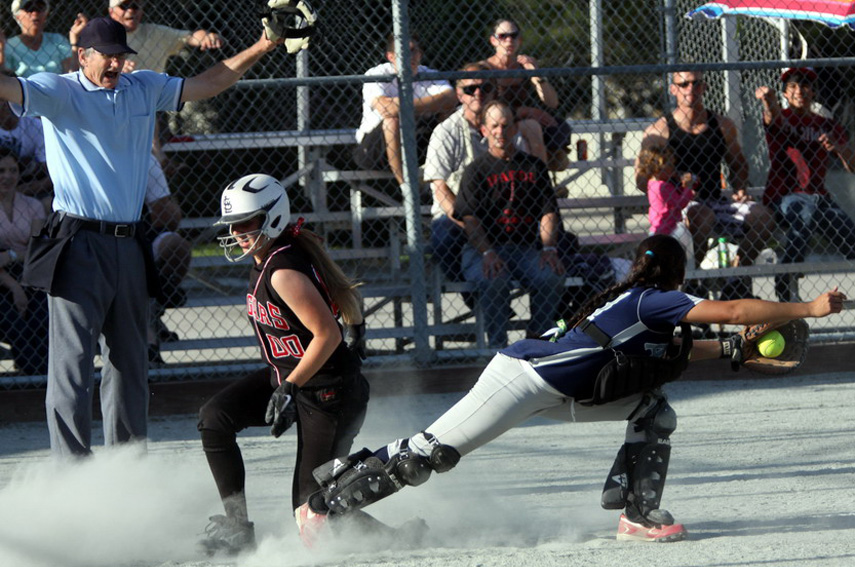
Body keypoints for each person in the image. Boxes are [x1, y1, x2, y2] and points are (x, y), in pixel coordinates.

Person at [304, 234, 845, 544]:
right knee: (431, 453)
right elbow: (730, 311)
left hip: (567, 395)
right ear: (673, 278)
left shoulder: (642, 312)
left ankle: (636, 515)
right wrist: (806, 307)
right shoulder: (648, 299)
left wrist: (727, 351)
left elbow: (667, 353)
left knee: (652, 409)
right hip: (522, 380)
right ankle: (326, 506)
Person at [0, 16, 287, 457]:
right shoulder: (59, 90)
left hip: (129, 242)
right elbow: (7, 89)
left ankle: (128, 469)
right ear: (82, 55)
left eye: (121, 55)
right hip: (78, 242)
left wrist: (266, 43)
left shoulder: (142, 86)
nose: (116, 63)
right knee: (72, 367)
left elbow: (209, 82)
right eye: (107, 56)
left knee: (129, 363)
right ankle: (71, 473)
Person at [196, 174, 369, 555]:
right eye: (233, 224)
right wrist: (357, 327)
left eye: (247, 222)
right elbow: (340, 291)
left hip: (328, 391)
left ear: (273, 217)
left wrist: (290, 387)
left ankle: (404, 537)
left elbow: (327, 334)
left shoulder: (282, 269)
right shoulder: (275, 253)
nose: (238, 232)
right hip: (293, 378)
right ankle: (237, 526)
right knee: (215, 418)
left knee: (311, 516)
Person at [637, 69, 775, 299]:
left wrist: (740, 189)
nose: (691, 89)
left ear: (705, 87)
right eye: (684, 84)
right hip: (679, 208)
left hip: (716, 200)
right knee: (701, 216)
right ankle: (693, 279)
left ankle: (735, 278)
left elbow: (739, 164)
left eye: (697, 83)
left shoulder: (721, 125)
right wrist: (670, 181)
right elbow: (642, 178)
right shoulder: (659, 131)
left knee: (763, 216)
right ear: (674, 89)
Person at [455, 100, 565, 349]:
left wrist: (549, 249)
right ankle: (498, 349)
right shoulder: (476, 171)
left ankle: (538, 343)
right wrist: (487, 252)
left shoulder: (534, 166)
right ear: (484, 130)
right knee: (494, 279)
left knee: (550, 277)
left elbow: (548, 212)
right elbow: (469, 220)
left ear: (515, 128)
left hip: (526, 248)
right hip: (482, 251)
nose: (499, 131)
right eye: (493, 126)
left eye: (505, 125)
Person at [755, 67, 855, 302]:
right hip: (786, 196)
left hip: (819, 197)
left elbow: (852, 164)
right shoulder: (784, 118)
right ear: (786, 94)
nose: (800, 91)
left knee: (849, 233)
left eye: (805, 86)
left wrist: (837, 148)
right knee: (805, 213)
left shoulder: (826, 124)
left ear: (813, 92)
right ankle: (786, 277)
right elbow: (772, 117)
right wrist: (769, 99)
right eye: (793, 86)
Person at [107, 0, 224, 163]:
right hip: (113, 104)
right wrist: (114, 67)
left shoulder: (155, 33)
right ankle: (159, 160)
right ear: (111, 11)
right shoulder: (103, 36)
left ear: (141, 10)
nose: (130, 11)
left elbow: (189, 37)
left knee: (147, 103)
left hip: (153, 105)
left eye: (135, 6)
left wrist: (206, 36)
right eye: (124, 6)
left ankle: (157, 162)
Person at [423, 63, 496, 293]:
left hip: (496, 211)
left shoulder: (504, 127)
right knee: (444, 236)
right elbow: (440, 190)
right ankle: (470, 294)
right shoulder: (446, 132)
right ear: (459, 95)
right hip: (455, 214)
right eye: (470, 89)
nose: (478, 94)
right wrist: (469, 223)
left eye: (485, 88)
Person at [354, 32, 457, 186]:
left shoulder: (428, 74)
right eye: (403, 52)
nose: (410, 56)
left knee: (450, 113)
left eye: (413, 50)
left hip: (416, 142)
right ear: (391, 57)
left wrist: (401, 105)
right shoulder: (377, 74)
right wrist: (426, 105)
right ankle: (406, 186)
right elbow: (386, 109)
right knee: (391, 121)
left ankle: (447, 176)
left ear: (420, 54)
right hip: (374, 150)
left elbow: (450, 99)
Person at [481, 18, 571, 171]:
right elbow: (482, 106)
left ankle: (538, 180)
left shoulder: (524, 65)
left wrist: (536, 74)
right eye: (503, 36)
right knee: (532, 126)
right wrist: (523, 111)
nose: (509, 40)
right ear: (493, 41)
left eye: (513, 35)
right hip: (496, 123)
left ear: (520, 40)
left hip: (520, 122)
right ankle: (540, 180)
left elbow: (552, 102)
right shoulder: (485, 68)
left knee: (543, 126)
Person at [0, 147, 47, 375]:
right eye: (1, 171)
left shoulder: (33, 206)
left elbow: (37, 249)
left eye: (13, 170)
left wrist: (10, 256)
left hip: (29, 272)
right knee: (11, 318)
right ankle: (32, 372)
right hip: (2, 279)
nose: (7, 176)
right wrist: (14, 286)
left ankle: (40, 375)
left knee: (41, 313)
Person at [143, 153, 191, 363]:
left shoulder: (143, 157)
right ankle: (147, 335)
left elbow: (169, 216)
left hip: (139, 232)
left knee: (175, 245)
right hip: (91, 238)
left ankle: (154, 311)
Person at [637, 144, 694, 266]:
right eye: (670, 165)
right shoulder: (663, 186)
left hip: (657, 229)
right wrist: (688, 189)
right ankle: (690, 271)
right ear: (657, 168)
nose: (673, 168)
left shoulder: (652, 183)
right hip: (671, 228)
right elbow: (679, 203)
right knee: (686, 244)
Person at [0, 71, 51, 207]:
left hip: (26, 183)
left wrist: (23, 191)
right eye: (1, 98)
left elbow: (50, 174)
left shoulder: (35, 126)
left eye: (9, 97)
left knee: (46, 203)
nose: (5, 104)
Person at [0, 0, 87, 77]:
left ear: (45, 14)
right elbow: (4, 75)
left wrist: (74, 40)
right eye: (29, 8)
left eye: (40, 8)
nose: (35, 13)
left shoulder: (57, 40)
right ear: (17, 16)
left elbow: (72, 73)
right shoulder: (9, 46)